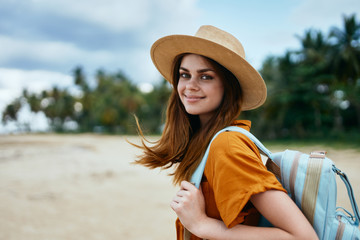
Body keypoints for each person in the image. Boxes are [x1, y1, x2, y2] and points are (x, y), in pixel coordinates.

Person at [133, 25, 318, 240]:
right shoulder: (205, 142)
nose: (190, 86)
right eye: (185, 75)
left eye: (205, 77)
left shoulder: (227, 145)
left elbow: (303, 237)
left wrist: (202, 224)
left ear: (228, 86)